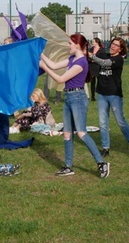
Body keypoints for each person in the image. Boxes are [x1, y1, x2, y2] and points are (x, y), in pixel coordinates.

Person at [39, 33, 110, 178]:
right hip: (69, 97)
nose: (68, 46)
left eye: (70, 44)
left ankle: (101, 163)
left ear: (77, 45)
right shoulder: (72, 59)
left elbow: (60, 79)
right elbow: (53, 65)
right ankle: (68, 166)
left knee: (82, 133)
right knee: (66, 134)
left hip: (77, 98)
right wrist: (39, 53)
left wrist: (44, 68)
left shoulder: (81, 62)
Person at [88, 37, 129, 158]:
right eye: (112, 44)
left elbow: (104, 63)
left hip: (114, 94)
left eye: (116, 45)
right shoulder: (104, 55)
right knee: (102, 123)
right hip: (101, 93)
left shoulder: (119, 59)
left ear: (120, 49)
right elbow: (96, 58)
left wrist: (92, 56)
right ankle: (106, 148)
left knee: (120, 121)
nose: (113, 46)